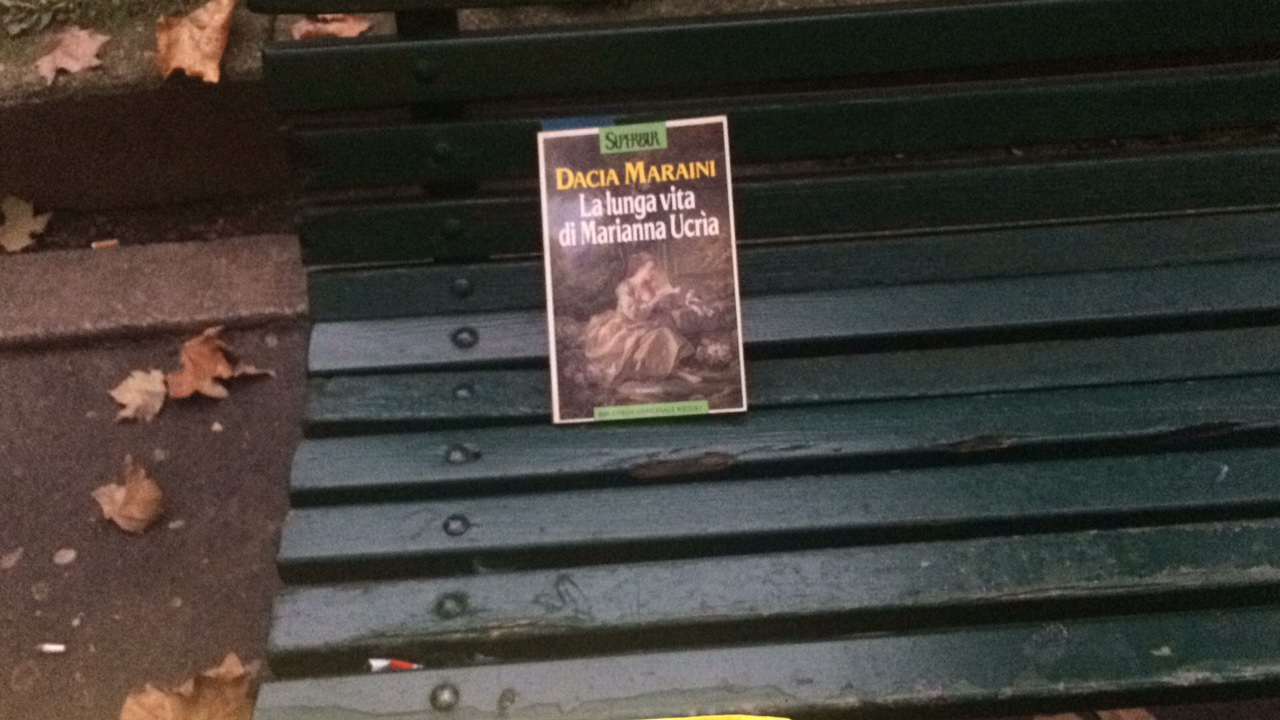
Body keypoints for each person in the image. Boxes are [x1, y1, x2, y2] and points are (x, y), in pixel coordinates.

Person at [582, 252, 702, 387]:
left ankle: (675, 369)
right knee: (661, 334)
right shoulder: (625, 287)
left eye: (654, 268)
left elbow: (658, 307)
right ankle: (677, 372)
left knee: (663, 329)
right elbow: (635, 314)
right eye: (650, 268)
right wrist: (656, 299)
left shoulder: (649, 286)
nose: (654, 272)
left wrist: (677, 300)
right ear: (640, 268)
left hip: (645, 325)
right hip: (626, 326)